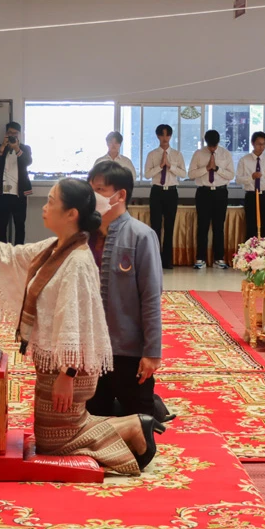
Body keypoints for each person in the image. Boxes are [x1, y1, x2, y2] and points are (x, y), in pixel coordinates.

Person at [0, 180, 165, 474]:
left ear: (71, 213)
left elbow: (76, 324)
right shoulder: (56, 248)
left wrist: (67, 375)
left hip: (71, 367)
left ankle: (132, 427)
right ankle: (127, 424)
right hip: (55, 362)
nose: (44, 207)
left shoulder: (78, 261)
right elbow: (7, 255)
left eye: (52, 201)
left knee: (55, 443)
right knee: (51, 438)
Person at [84, 162, 169, 423]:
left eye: (99, 190)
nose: (92, 196)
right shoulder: (83, 235)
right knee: (93, 421)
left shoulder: (141, 236)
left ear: (120, 195)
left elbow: (151, 298)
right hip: (91, 349)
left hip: (127, 351)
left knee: (139, 428)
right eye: (91, 189)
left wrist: (152, 352)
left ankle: (152, 408)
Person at [188, 130, 234, 269]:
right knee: (202, 226)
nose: (212, 148)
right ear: (206, 142)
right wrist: (207, 168)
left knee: (218, 227)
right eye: (210, 146)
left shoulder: (225, 154)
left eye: (214, 146)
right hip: (204, 193)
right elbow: (191, 174)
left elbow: (231, 175)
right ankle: (200, 258)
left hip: (220, 192)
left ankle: (219, 258)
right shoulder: (198, 154)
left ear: (218, 142)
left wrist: (217, 168)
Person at [143, 124, 187, 269]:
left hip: (171, 192)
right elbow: (147, 174)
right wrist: (160, 166)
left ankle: (167, 260)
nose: (165, 138)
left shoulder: (177, 154)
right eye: (162, 135)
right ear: (157, 136)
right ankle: (154, 260)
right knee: (155, 227)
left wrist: (170, 166)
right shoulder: (152, 154)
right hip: (156, 191)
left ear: (170, 136)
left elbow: (183, 174)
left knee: (169, 227)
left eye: (167, 135)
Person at [0, 122, 33, 245]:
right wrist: (3, 146)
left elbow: (27, 162)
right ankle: (2, 251)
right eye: (10, 133)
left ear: (19, 134)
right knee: (2, 224)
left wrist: (16, 148)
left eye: (14, 133)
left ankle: (19, 253)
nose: (12, 135)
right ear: (6, 134)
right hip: (3, 193)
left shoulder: (25, 148)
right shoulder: (1, 147)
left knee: (20, 225)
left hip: (19, 193)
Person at [236, 131, 265, 240]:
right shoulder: (244, 160)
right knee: (251, 226)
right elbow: (238, 179)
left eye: (264, 144)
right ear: (253, 143)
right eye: (259, 144)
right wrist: (251, 177)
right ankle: (250, 254)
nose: (261, 147)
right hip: (251, 196)